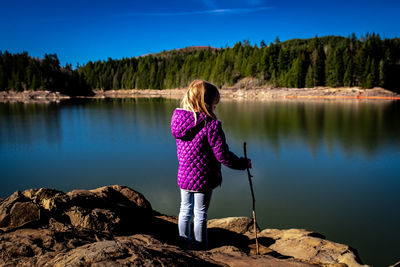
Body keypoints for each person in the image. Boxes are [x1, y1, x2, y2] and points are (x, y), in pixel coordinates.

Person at [170, 79, 252, 250]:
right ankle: (201, 246)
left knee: (184, 210)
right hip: (204, 178)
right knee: (200, 213)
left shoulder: (179, 121)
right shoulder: (211, 126)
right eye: (214, 105)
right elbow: (223, 155)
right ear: (206, 104)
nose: (215, 109)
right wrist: (242, 164)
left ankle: (183, 241)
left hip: (184, 177)